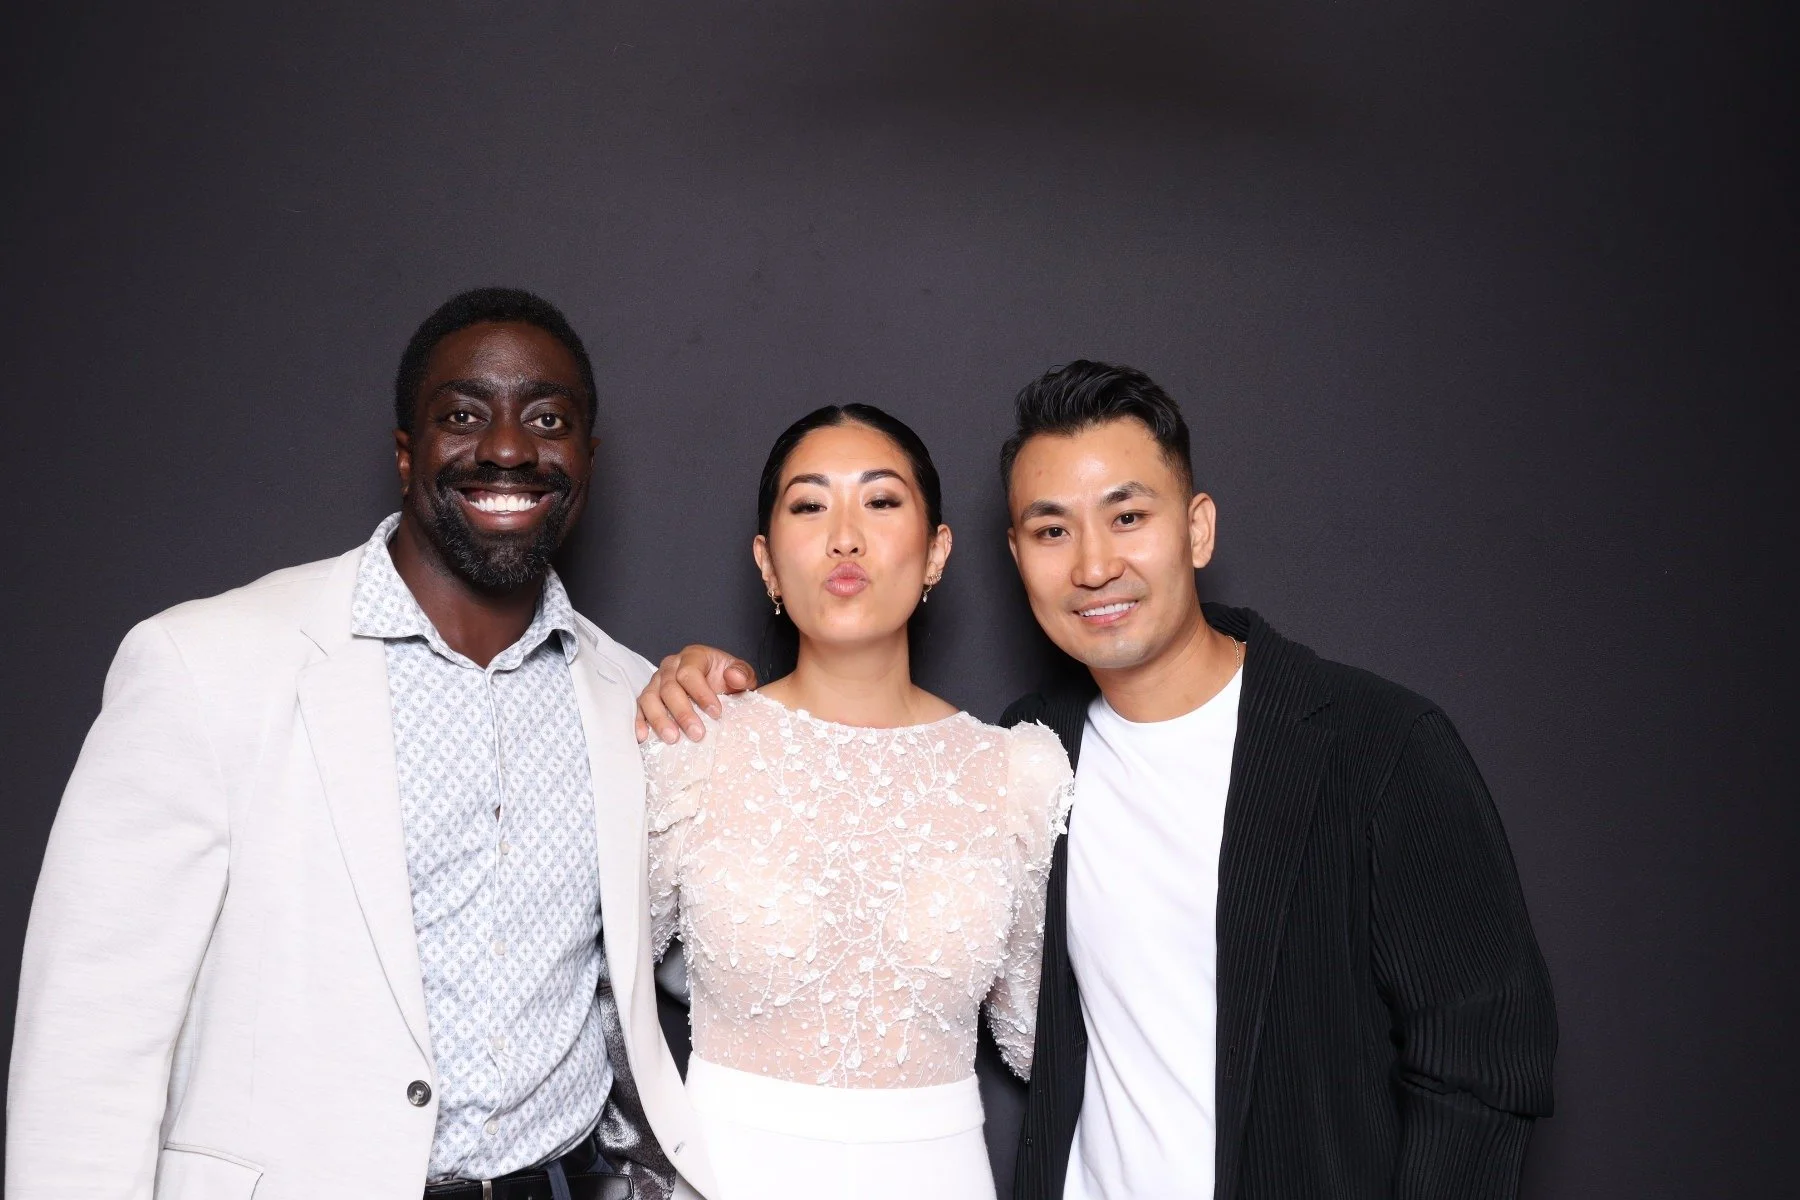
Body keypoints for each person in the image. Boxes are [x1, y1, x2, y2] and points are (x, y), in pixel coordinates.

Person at [637, 361, 1558, 1200]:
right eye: (1052, 529)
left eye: (1128, 516)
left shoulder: (1372, 745)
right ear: (1015, 554)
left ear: (1196, 528)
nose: (1093, 564)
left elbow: (1483, 1061)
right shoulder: (1046, 749)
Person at [9, 288, 727, 1200]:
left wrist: (767, 735)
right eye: (463, 416)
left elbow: (713, 957)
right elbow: (91, 1032)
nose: (508, 447)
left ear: (585, 459)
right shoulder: (204, 662)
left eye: (547, 419)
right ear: (406, 453)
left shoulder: (634, 696)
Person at [639, 404, 1073, 1200]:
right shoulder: (692, 742)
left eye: (880, 501)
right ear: (767, 562)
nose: (845, 536)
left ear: (936, 550)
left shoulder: (1016, 771)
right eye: (810, 505)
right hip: (724, 1174)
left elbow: (1046, 1039)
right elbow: (598, 990)